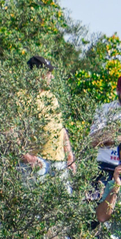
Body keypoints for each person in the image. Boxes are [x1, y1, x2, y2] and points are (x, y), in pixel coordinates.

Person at [20, 55, 72, 185]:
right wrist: (26, 157)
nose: (51, 77)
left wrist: (69, 155)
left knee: (64, 202)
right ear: (38, 74)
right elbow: (10, 131)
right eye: (48, 73)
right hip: (36, 161)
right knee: (32, 202)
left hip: (59, 161)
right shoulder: (21, 97)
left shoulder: (52, 97)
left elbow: (61, 129)